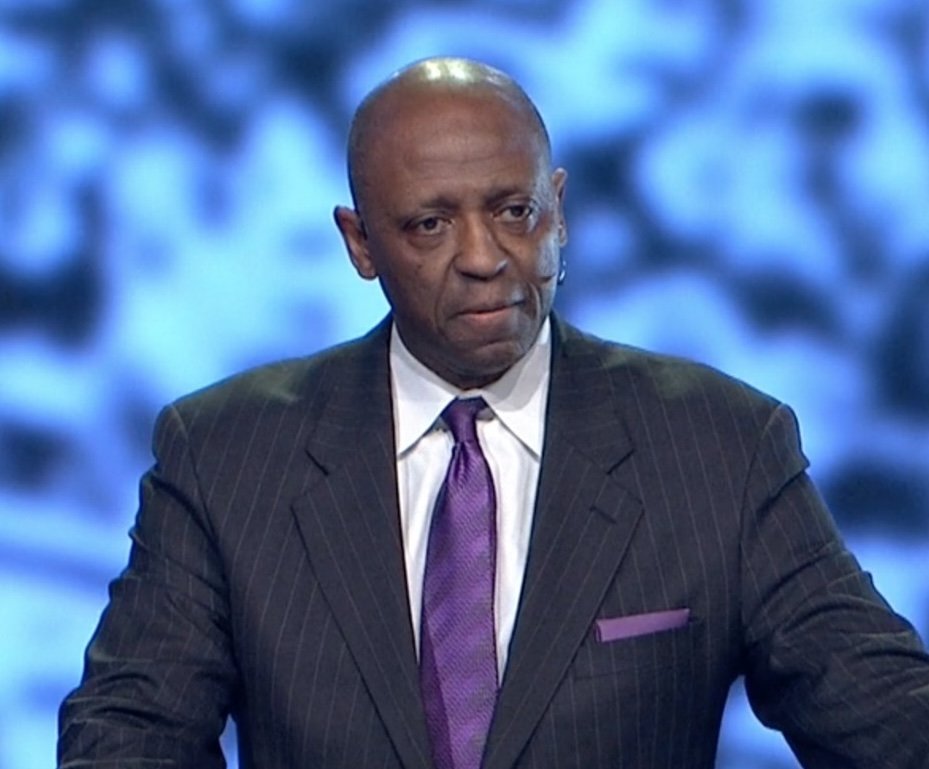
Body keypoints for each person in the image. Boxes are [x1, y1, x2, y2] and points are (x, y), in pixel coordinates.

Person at [58, 57, 929, 769]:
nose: (484, 258)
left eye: (514, 212)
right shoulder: (224, 456)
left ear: (559, 209)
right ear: (359, 243)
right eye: (429, 225)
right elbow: (130, 735)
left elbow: (885, 717)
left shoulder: (721, 446)